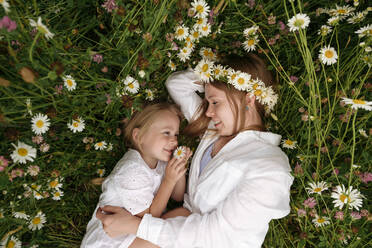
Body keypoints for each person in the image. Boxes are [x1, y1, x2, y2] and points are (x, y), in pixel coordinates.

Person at [96, 54, 294, 248]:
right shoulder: (213, 129)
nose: (208, 112)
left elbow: (219, 236)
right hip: (178, 224)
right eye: (208, 103)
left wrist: (136, 226)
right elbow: (177, 85)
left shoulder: (270, 165)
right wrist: (213, 75)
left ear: (248, 99)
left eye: (215, 102)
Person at [81, 103, 192, 248]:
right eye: (166, 133)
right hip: (111, 240)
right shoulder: (131, 171)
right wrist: (169, 181)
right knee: (180, 226)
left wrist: (179, 168)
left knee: (184, 215)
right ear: (139, 136)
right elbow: (150, 218)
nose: (174, 141)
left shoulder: (161, 161)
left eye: (176, 135)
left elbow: (177, 196)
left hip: (135, 232)